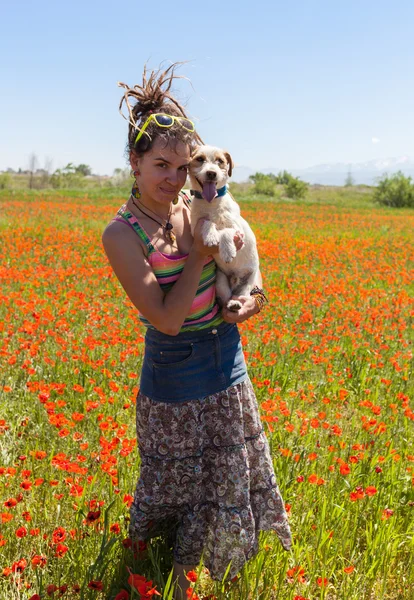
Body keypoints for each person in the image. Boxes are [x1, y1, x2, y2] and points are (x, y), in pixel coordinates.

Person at [102, 63, 292, 600]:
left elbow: (246, 266)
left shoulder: (196, 206)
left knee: (231, 470)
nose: (173, 178)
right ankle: (157, 571)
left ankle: (229, 570)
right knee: (177, 482)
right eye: (160, 164)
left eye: (182, 167)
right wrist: (200, 257)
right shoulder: (121, 233)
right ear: (134, 163)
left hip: (226, 356)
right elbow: (164, 316)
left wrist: (251, 300)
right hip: (175, 369)